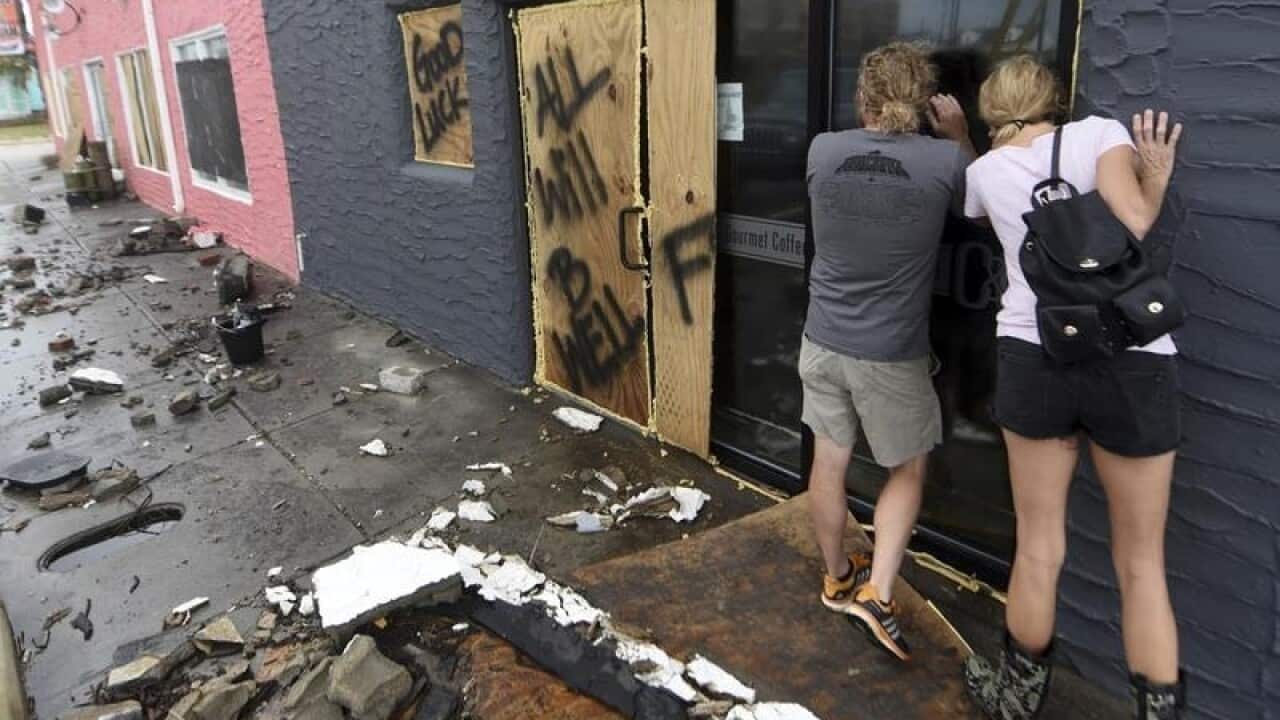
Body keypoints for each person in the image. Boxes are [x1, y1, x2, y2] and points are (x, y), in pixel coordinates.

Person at [961, 55, 1184, 719]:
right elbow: (1136, 219)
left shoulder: (982, 171)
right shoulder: (1097, 134)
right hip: (1132, 357)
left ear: (991, 110)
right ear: (1055, 99)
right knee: (1141, 564)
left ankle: (1015, 701)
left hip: (1036, 357)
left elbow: (984, 208)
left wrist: (972, 143)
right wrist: (1158, 173)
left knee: (1038, 546)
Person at [802, 41, 972, 661]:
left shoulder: (823, 149)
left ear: (864, 98)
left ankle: (837, 578)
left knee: (830, 461)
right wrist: (959, 136)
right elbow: (981, 208)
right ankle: (877, 593)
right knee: (906, 469)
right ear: (924, 99)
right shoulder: (943, 162)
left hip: (821, 339)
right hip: (891, 351)